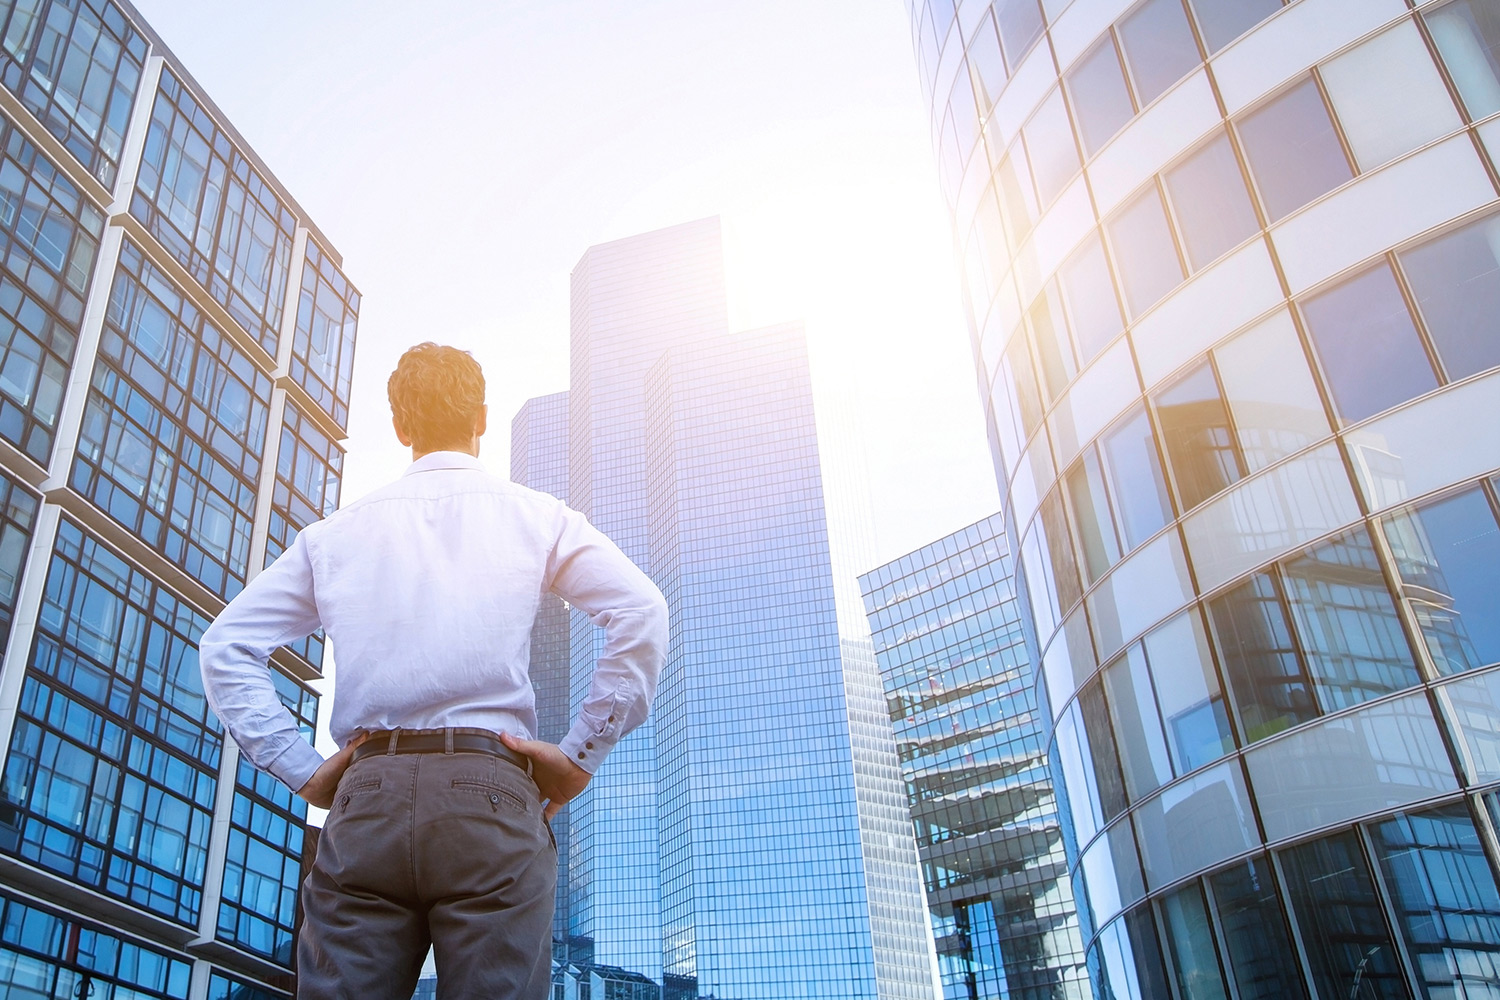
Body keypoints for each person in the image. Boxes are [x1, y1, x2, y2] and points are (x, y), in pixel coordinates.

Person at [199, 342, 667, 999]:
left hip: (369, 798)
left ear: (401, 427)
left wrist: (303, 769)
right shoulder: (538, 517)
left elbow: (226, 647)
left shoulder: (333, 537)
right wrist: (580, 753)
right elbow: (640, 611)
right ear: (481, 418)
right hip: (493, 796)